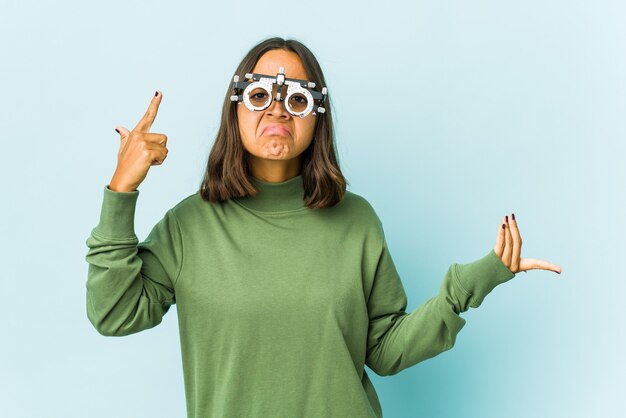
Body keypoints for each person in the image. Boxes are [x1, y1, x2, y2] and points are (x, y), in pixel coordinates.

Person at [85, 37, 562, 418]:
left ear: (317, 117)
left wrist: (473, 283)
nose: (276, 111)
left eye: (295, 98)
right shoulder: (190, 225)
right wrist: (121, 189)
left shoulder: (357, 220)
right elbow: (114, 313)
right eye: (258, 95)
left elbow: (385, 350)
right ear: (235, 110)